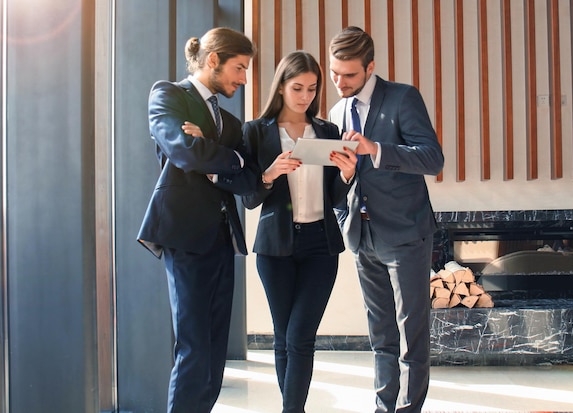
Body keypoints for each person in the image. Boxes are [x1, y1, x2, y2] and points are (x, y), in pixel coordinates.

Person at [136, 27, 258, 413]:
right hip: (185, 235)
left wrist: (218, 155)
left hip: (223, 238)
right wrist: (226, 157)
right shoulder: (167, 94)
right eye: (239, 68)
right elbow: (183, 150)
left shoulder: (231, 124)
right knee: (192, 344)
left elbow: (250, 178)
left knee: (214, 346)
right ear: (213, 60)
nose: (243, 79)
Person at [327, 26, 445, 412]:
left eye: (349, 75)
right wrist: (344, 194)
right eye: (334, 73)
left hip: (406, 234)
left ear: (370, 67)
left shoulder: (402, 98)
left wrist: (376, 148)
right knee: (380, 336)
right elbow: (343, 178)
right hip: (362, 237)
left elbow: (432, 158)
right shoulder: (336, 111)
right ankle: (383, 408)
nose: (339, 82)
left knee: (412, 335)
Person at [241, 50, 357, 413]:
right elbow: (248, 199)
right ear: (280, 88)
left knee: (300, 337)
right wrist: (268, 175)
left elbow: (335, 198)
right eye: (297, 88)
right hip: (275, 247)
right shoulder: (256, 132)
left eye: (312, 88)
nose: (305, 96)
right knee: (283, 337)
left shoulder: (327, 132)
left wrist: (348, 176)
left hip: (321, 246)